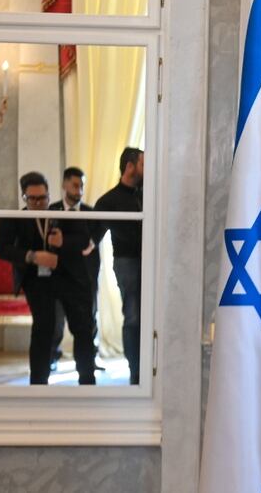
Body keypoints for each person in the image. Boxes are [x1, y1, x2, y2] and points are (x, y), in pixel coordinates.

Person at [0, 171, 97, 385]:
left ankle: (87, 381)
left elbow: (85, 238)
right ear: (24, 197)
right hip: (36, 280)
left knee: (82, 327)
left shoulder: (63, 212)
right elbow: (2, 249)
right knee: (43, 329)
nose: (39, 203)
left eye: (43, 197)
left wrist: (63, 242)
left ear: (49, 194)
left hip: (69, 277)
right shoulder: (15, 218)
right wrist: (32, 256)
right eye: (33, 199)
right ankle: (38, 385)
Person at [92, 148, 144, 385]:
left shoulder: (149, 193)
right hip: (127, 264)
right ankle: (136, 372)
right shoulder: (108, 201)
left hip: (153, 261)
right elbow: (91, 238)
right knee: (133, 316)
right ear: (130, 167)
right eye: (144, 162)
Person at [49, 167, 102, 371]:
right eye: (75, 185)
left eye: (82, 186)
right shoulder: (51, 210)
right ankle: (52, 358)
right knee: (55, 322)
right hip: (56, 277)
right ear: (64, 185)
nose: (79, 190)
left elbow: (93, 243)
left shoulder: (91, 214)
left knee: (89, 320)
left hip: (85, 278)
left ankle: (89, 362)